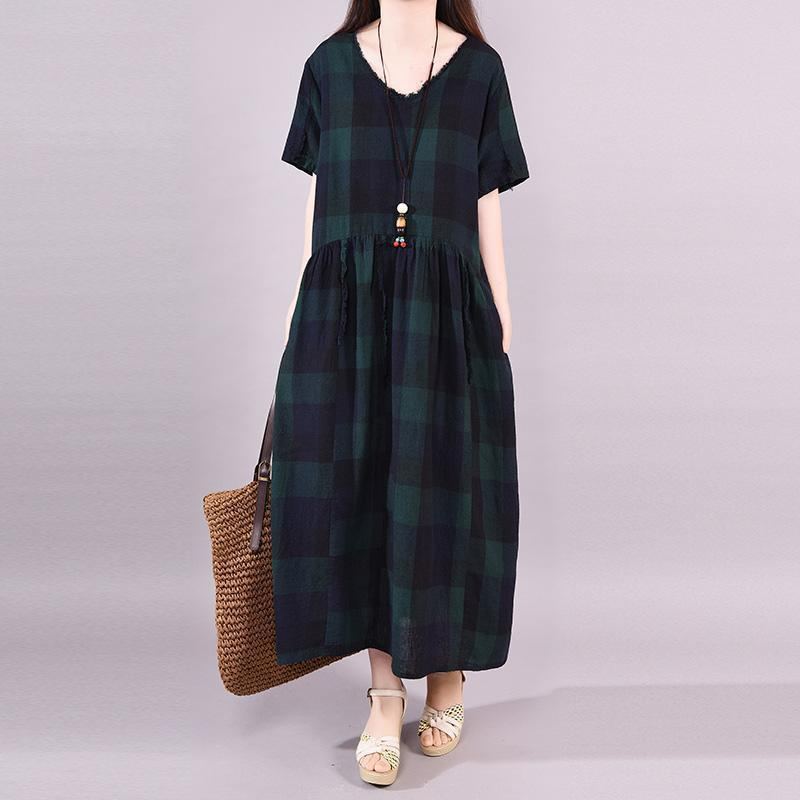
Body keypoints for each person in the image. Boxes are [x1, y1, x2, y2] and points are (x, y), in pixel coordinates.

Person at [270, 0, 530, 786]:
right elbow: (317, 202)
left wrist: (502, 305)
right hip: (349, 315)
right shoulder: (328, 67)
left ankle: (447, 673)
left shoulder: (480, 72)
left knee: (443, 489)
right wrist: (303, 310)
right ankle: (385, 694)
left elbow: (485, 198)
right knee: (361, 497)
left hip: (447, 314)